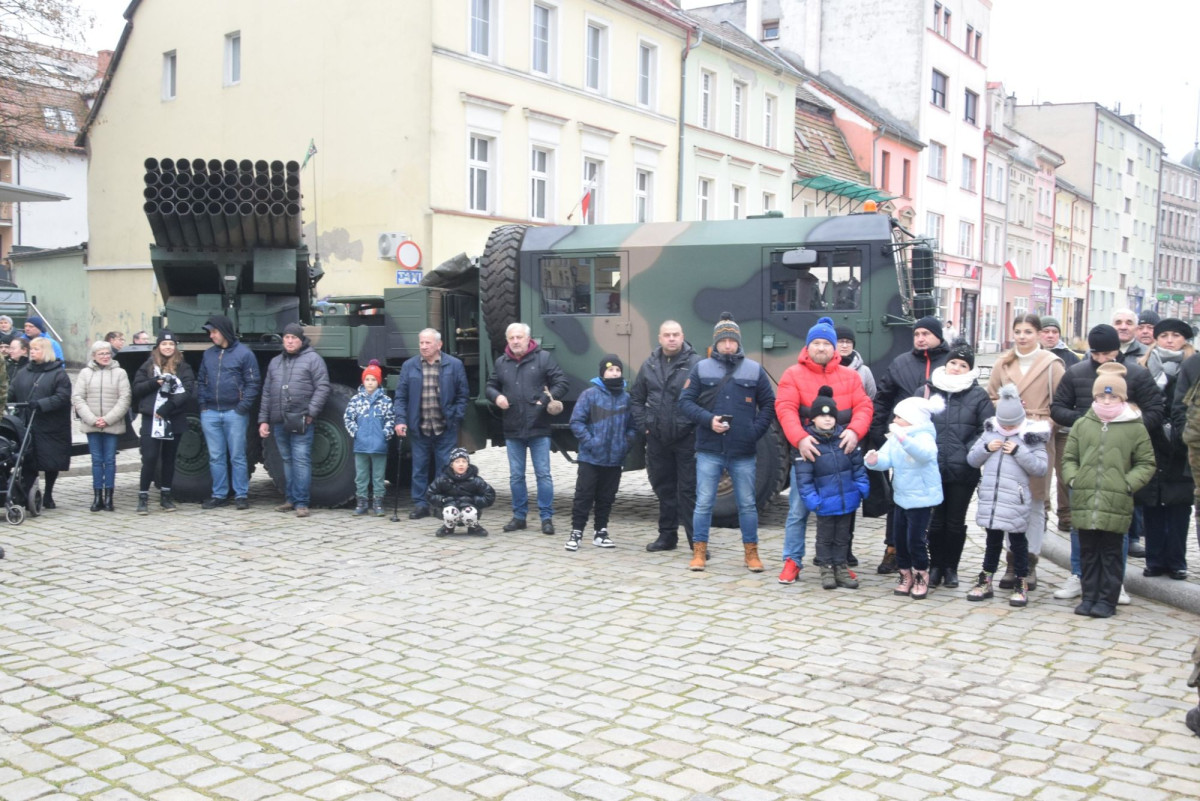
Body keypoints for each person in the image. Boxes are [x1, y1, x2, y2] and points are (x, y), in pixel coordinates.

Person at [1050, 324, 1163, 604]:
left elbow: (1156, 410)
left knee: (1116, 527)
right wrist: (1085, 422)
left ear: (1118, 350)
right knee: (1080, 525)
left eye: (1108, 353)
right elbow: (1058, 408)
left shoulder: (1136, 373)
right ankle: (1079, 574)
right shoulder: (1076, 372)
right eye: (1097, 353)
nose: (1102, 359)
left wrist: (1130, 428)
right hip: (1086, 459)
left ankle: (1115, 581)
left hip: (1119, 462)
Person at [775, 316, 873, 583]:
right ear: (808, 347)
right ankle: (792, 561)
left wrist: (855, 431)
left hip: (840, 458)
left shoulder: (850, 376)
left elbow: (864, 407)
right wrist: (800, 439)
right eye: (816, 343)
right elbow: (785, 408)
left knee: (842, 512)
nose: (821, 348)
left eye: (826, 343)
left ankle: (838, 562)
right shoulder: (792, 374)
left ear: (834, 348)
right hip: (808, 455)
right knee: (798, 510)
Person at [678, 312, 776, 573]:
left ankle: (751, 553)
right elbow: (685, 402)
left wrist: (754, 431)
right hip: (709, 449)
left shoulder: (754, 369)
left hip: (743, 451)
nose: (728, 345)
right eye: (723, 341)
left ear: (738, 342)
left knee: (747, 505)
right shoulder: (701, 368)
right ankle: (699, 552)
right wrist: (708, 420)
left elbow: (769, 404)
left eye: (732, 341)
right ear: (716, 342)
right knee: (703, 503)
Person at [1061, 363, 1155, 618]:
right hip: (1086, 497)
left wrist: (1127, 484)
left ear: (1122, 398)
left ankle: (1106, 600)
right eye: (1102, 395)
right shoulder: (1083, 424)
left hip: (1116, 500)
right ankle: (1089, 596)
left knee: (1111, 554)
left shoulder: (1134, 426)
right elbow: (1069, 458)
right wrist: (1074, 479)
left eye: (1112, 396)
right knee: (1088, 552)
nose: (1106, 400)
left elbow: (1146, 463)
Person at [985, 313, 1064, 592]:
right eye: (1018, 331)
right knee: (1010, 499)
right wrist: (1007, 408)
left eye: (1028, 331)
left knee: (1035, 501)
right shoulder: (1003, 362)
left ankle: (1029, 561)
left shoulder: (1052, 364)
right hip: (1007, 436)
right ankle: (1011, 561)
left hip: (1036, 437)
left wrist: (1044, 424)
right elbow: (990, 396)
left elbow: (1062, 403)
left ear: (1039, 334)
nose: (1022, 336)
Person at [868, 316, 950, 573]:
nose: (920, 338)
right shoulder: (900, 363)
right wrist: (879, 431)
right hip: (904, 445)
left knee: (935, 502)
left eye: (926, 333)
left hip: (940, 442)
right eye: (917, 334)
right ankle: (893, 549)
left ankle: (935, 558)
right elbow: (883, 398)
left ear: (938, 336)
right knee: (899, 500)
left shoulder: (950, 363)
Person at [965, 383, 1049, 607]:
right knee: (992, 541)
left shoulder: (1031, 436)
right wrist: (986, 449)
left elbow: (1040, 468)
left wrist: (1020, 451)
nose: (1007, 428)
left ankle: (1021, 581)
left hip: (1015, 500)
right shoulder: (990, 431)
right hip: (992, 500)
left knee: (1018, 543)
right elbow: (972, 459)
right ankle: (986, 579)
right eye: (1003, 424)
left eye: (1011, 424)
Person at [485, 322, 568, 535]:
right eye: (511, 338)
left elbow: (561, 383)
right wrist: (497, 397)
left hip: (539, 425)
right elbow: (490, 386)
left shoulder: (543, 358)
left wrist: (544, 400)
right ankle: (519, 517)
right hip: (513, 427)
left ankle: (546, 517)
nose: (515, 341)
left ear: (528, 339)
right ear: (507, 340)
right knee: (516, 476)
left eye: (519, 337)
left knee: (543, 475)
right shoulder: (501, 362)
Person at [925, 343, 993, 589]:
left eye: (963, 365)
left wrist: (967, 452)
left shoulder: (978, 395)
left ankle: (950, 567)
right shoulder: (928, 390)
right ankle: (934, 566)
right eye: (953, 362)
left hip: (963, 469)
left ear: (970, 369)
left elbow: (986, 428)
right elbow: (915, 421)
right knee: (935, 521)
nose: (956, 368)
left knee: (955, 521)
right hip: (932, 466)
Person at [630, 320, 701, 553]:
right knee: (664, 488)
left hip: (687, 437)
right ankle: (667, 536)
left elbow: (705, 398)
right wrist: (645, 425)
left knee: (689, 491)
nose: (671, 338)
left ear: (683, 336)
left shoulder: (696, 364)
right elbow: (636, 398)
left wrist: (694, 425)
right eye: (667, 335)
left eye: (675, 334)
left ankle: (697, 541)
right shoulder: (649, 364)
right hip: (657, 438)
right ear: (659, 338)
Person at [865, 393, 944, 599]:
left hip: (921, 498)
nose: (894, 420)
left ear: (912, 419)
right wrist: (874, 460)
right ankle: (905, 573)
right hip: (901, 496)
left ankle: (920, 574)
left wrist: (904, 439)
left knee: (915, 540)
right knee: (899, 539)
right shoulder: (896, 437)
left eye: (899, 417)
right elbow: (886, 457)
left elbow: (925, 454)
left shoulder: (924, 436)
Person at [1136, 318, 1195, 580]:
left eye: (1176, 335)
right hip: (1151, 438)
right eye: (1164, 335)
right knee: (1152, 503)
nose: (1170, 340)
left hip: (1181, 442)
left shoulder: (1192, 366)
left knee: (1179, 504)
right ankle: (1155, 559)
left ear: (1185, 339)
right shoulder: (1144, 366)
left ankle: (1177, 561)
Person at [794, 386, 869, 590]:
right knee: (825, 538)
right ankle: (826, 568)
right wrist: (813, 500)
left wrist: (861, 488)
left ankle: (841, 567)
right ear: (813, 419)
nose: (827, 420)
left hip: (847, 500)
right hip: (824, 502)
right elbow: (804, 478)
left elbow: (858, 467)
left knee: (843, 537)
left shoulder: (845, 438)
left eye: (831, 416)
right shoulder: (808, 443)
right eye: (822, 416)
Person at [393, 328, 469, 520]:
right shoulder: (409, 366)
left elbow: (463, 395)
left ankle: (441, 504)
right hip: (420, 427)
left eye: (428, 343)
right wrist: (400, 420)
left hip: (445, 427)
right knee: (419, 468)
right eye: (421, 343)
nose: (424, 346)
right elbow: (401, 397)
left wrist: (456, 416)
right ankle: (420, 504)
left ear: (439, 344)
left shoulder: (454, 365)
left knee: (444, 468)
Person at [259, 323, 330, 518]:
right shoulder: (275, 362)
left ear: (301, 340)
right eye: (287, 338)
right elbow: (267, 393)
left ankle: (301, 502)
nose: (290, 341)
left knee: (300, 461)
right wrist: (263, 420)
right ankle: (290, 499)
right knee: (287, 460)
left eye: (294, 338)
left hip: (301, 419)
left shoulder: (313, 359)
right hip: (279, 420)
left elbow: (323, 387)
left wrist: (311, 413)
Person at [566, 354, 637, 551]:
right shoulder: (589, 394)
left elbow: (633, 427)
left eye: (617, 370)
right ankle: (576, 532)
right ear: (602, 373)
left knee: (606, 497)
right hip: (590, 457)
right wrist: (591, 442)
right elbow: (576, 422)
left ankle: (601, 532)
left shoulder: (626, 398)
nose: (614, 373)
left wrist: (625, 443)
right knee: (584, 495)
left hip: (614, 459)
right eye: (610, 370)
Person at [197, 315, 261, 510]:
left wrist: (242, 407)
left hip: (235, 413)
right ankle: (219, 494)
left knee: (237, 456)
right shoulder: (208, 355)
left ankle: (241, 495)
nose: (211, 336)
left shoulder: (244, 354)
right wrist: (203, 405)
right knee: (216, 457)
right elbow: (201, 380)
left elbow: (253, 383)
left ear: (224, 331)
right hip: (211, 412)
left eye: (214, 332)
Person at [131, 330, 195, 514]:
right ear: (158, 346)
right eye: (164, 344)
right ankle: (143, 497)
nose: (168, 347)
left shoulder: (183, 367)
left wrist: (167, 408)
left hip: (173, 417)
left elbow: (187, 391)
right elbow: (137, 388)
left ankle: (166, 497)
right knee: (150, 458)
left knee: (169, 458)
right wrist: (154, 383)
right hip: (152, 419)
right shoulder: (149, 366)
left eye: (171, 344)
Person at [9, 337, 71, 509]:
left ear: (46, 352)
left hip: (51, 425)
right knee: (28, 460)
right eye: (32, 349)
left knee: (51, 461)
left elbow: (63, 397)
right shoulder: (23, 372)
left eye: (36, 349)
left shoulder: (58, 373)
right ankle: (28, 493)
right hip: (27, 423)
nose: (33, 352)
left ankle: (48, 494)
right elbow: (12, 391)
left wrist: (42, 404)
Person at [71, 340, 132, 512]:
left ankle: (109, 496)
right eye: (101, 354)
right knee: (96, 460)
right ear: (94, 356)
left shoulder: (120, 373)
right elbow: (78, 398)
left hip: (112, 423)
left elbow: (125, 398)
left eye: (107, 353)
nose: (105, 356)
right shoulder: (85, 373)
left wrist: (108, 419)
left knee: (110, 460)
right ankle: (97, 496)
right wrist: (92, 419)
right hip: (92, 424)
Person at [344, 361, 394, 517]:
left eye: (373, 379)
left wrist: (385, 434)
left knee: (378, 477)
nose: (370, 382)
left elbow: (390, 419)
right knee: (361, 476)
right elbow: (348, 418)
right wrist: (356, 432)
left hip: (379, 445)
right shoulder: (356, 400)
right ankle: (362, 503)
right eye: (367, 379)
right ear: (363, 381)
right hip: (361, 445)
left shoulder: (385, 401)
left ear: (378, 381)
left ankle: (378, 503)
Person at [426, 448, 496, 536]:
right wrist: (443, 500)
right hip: (449, 507)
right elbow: (430, 494)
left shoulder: (475, 480)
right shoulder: (443, 479)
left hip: (469, 507)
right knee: (450, 512)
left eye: (464, 461)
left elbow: (490, 495)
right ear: (451, 464)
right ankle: (448, 527)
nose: (461, 464)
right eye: (457, 462)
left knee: (469, 512)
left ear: (468, 464)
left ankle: (473, 527)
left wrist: (474, 500)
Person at [835, 325, 876, 399]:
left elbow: (871, 398)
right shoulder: (825, 367)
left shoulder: (864, 371)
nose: (845, 345)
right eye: (840, 341)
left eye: (848, 342)